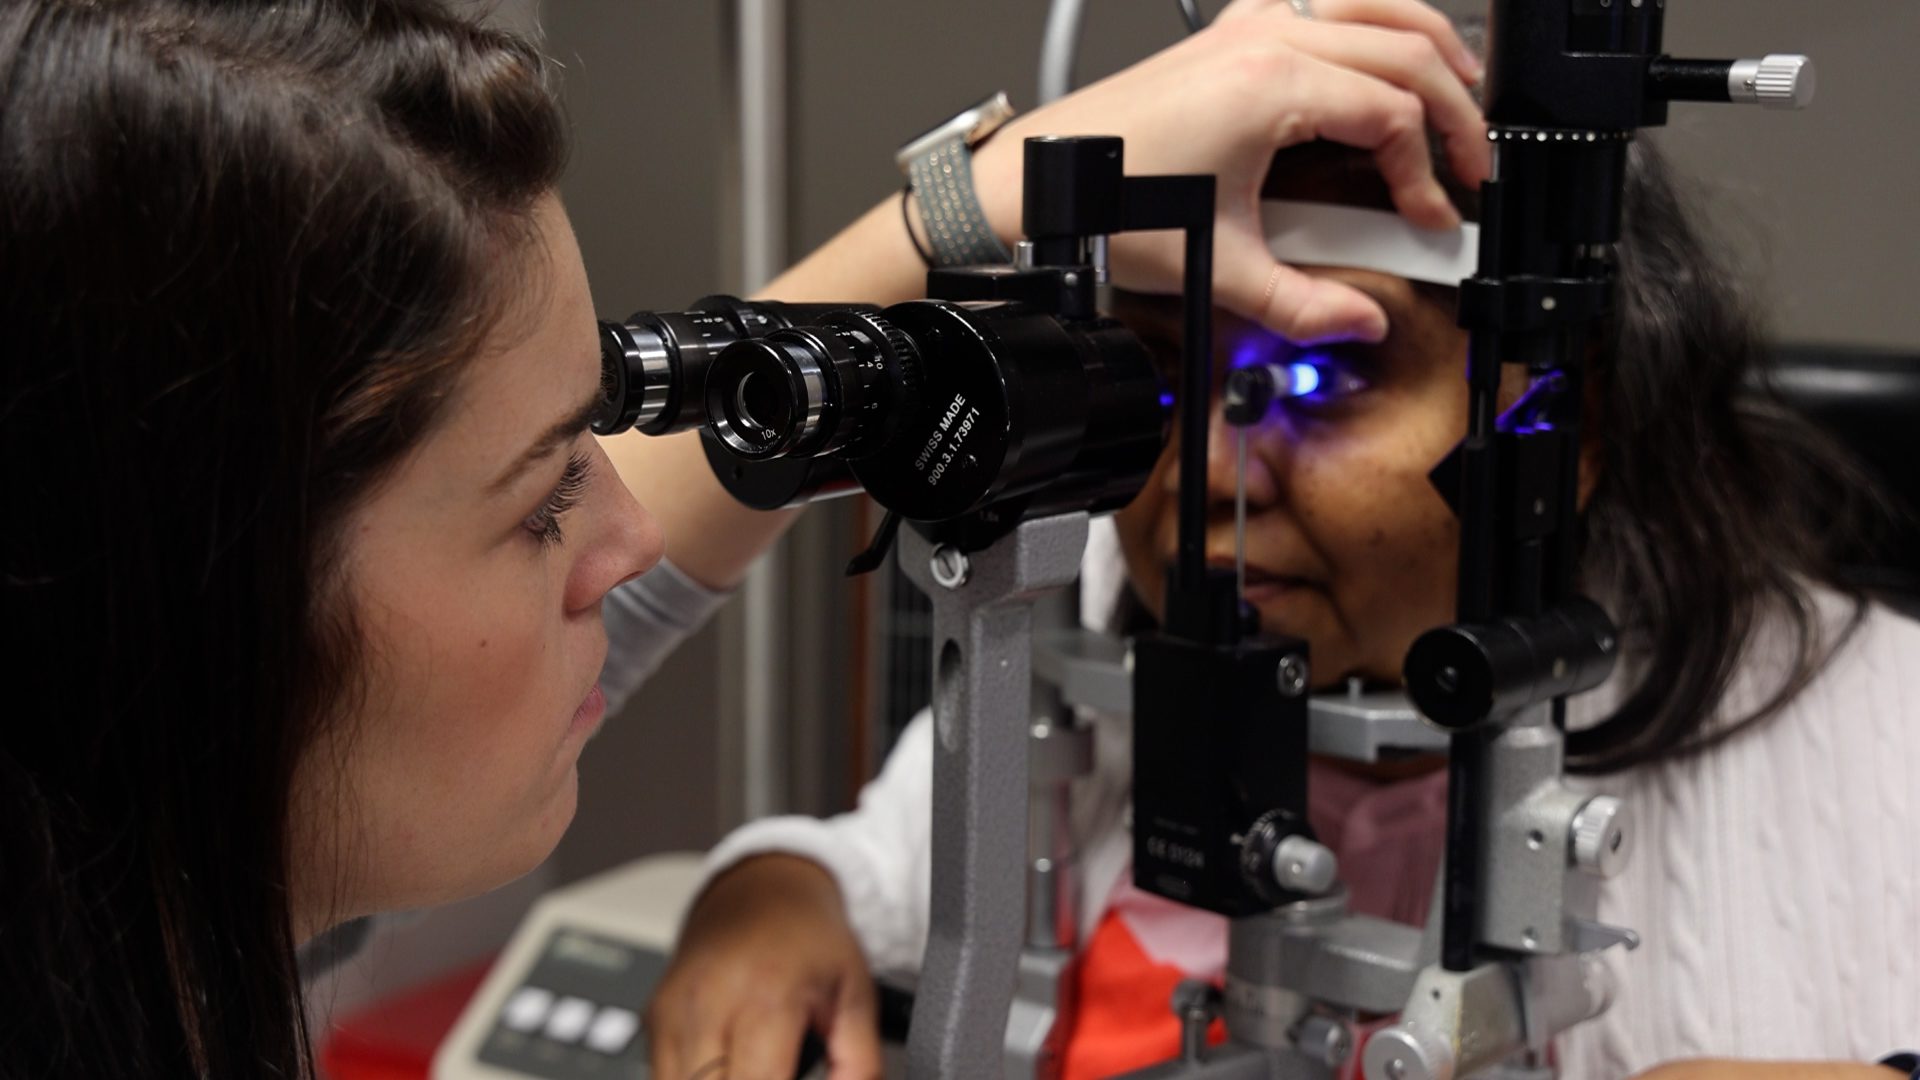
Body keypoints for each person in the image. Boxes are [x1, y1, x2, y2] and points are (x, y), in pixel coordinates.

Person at [0, 0, 1493, 1076]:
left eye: (602, 422)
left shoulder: (163, 928)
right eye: (539, 503)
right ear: (207, 606)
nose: (641, 536)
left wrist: (977, 200)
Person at [642, 27, 1920, 1080]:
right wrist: (768, 895)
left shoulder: (1879, 733)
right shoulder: (1094, 642)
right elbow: (874, 867)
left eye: (1321, 376)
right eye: (1153, 372)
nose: (1201, 476)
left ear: (1560, 420)